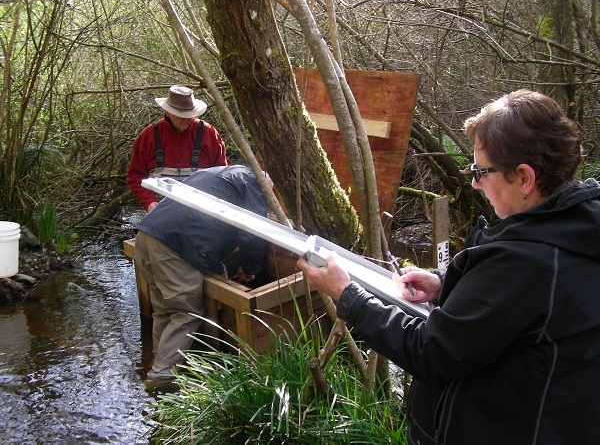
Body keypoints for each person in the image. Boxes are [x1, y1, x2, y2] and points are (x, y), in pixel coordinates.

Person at [297, 89, 600, 444]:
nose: (473, 182)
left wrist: (347, 294)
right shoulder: (573, 227)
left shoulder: (528, 264)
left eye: (480, 171)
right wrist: (445, 281)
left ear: (524, 178)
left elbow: (431, 352)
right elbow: (506, 313)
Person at [134, 165, 269, 386]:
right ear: (266, 184)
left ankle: (157, 360)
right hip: (174, 247)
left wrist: (219, 268)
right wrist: (251, 268)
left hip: (147, 235)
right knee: (186, 314)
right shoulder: (252, 183)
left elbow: (201, 223)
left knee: (163, 310)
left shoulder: (218, 174)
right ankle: (160, 381)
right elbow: (252, 233)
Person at [126, 85, 228, 212]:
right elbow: (135, 177)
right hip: (160, 210)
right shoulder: (149, 136)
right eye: (181, 117)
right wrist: (149, 202)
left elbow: (222, 176)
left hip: (201, 211)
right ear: (168, 112)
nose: (186, 121)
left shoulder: (209, 134)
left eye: (189, 116)